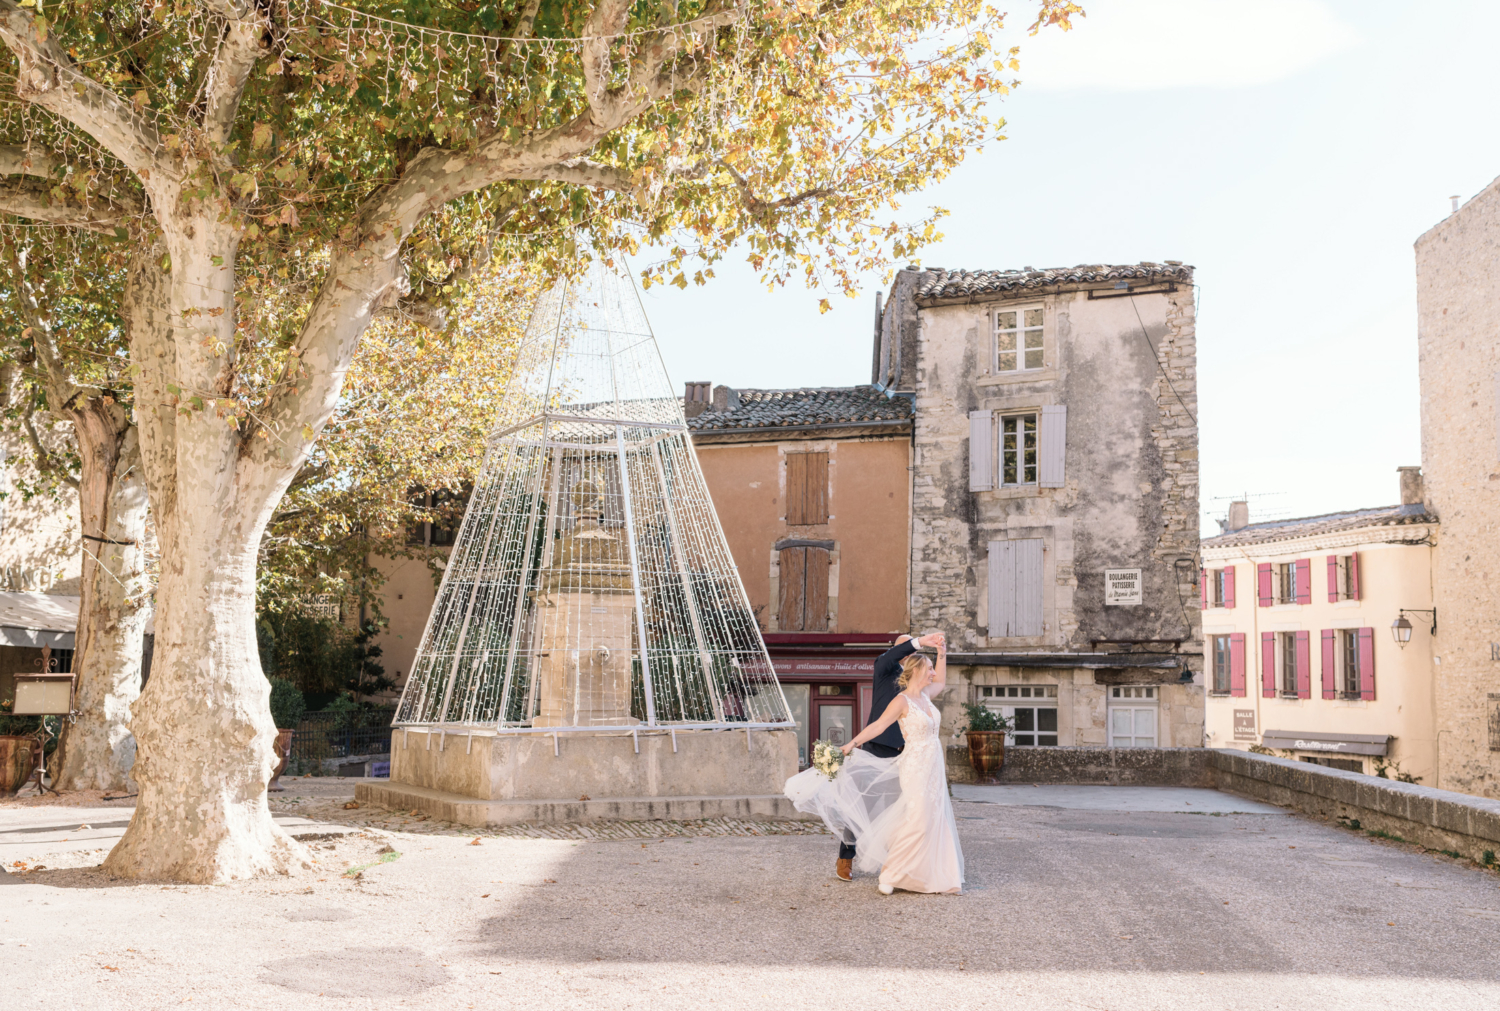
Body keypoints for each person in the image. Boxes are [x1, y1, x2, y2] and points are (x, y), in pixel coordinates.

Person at [783, 632, 963, 894]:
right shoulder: (884, 668)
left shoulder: (920, 683)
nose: (910, 652)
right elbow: (880, 723)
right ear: (898, 649)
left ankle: (904, 863)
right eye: (906, 647)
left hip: (910, 754)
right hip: (879, 748)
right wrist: (921, 641)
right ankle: (846, 857)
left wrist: (941, 651)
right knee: (862, 804)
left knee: (909, 812)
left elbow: (939, 681)